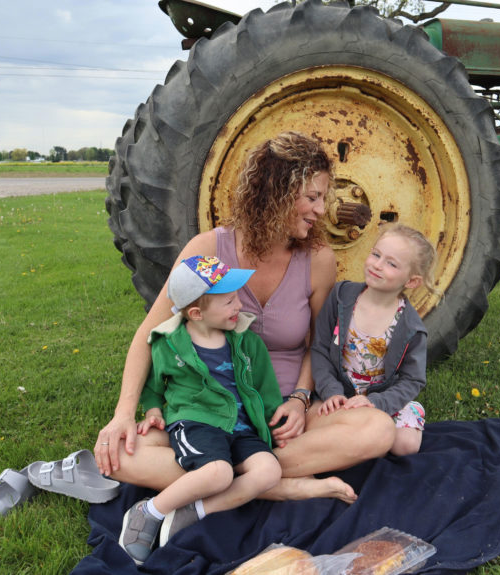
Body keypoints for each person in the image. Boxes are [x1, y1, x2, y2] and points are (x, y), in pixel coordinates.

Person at [94, 132, 396, 510]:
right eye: (313, 197)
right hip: (209, 411)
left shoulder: (317, 259)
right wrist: (123, 414)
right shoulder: (208, 250)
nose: (322, 210)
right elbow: (151, 333)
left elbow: (317, 345)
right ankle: (277, 482)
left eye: (323, 198)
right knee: (118, 451)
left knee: (379, 429)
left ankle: (218, 474)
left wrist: (302, 400)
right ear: (276, 194)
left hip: (281, 416)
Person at [119, 255, 283, 564]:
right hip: (196, 422)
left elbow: (266, 387)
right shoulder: (169, 345)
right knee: (219, 473)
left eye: (237, 298)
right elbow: (153, 385)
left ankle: (195, 510)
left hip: (242, 426)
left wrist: (276, 420)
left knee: (269, 470)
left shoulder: (247, 342)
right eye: (229, 302)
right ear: (196, 313)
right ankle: (150, 511)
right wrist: (153, 410)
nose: (239, 306)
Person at [311, 224, 435, 456]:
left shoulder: (411, 327)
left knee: (406, 445)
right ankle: (364, 441)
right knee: (318, 426)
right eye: (376, 254)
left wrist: (377, 403)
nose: (377, 265)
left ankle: (367, 437)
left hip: (382, 400)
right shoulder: (341, 297)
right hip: (340, 395)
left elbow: (412, 380)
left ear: (411, 281)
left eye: (391, 263)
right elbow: (319, 349)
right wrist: (331, 392)